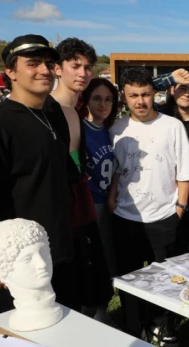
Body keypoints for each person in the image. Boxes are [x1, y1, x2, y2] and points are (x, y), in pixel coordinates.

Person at [0, 34, 77, 316]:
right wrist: (1, 264)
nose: (45, 70)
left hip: (54, 254)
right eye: (33, 63)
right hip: (15, 266)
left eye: (49, 63)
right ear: (10, 72)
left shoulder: (52, 114)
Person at [108, 67, 189, 342]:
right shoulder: (116, 129)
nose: (140, 101)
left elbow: (184, 172)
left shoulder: (172, 126)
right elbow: (115, 172)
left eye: (145, 94)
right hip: (125, 218)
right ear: (124, 96)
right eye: (133, 95)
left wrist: (179, 208)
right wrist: (111, 201)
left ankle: (160, 324)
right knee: (130, 281)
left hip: (165, 216)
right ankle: (133, 329)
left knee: (165, 279)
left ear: (154, 93)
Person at [52, 38, 113, 322]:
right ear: (57, 68)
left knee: (90, 288)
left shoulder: (74, 114)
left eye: (87, 67)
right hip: (56, 219)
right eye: (75, 65)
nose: (82, 73)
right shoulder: (46, 111)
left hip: (81, 213)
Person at [76, 78, 119, 278]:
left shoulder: (113, 131)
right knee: (90, 261)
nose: (103, 104)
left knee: (107, 257)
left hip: (106, 204)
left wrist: (112, 195)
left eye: (108, 99)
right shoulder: (78, 129)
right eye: (97, 99)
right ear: (86, 101)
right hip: (87, 204)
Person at [162, 73, 189, 254]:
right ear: (172, 90)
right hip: (167, 195)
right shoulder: (159, 118)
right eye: (182, 88)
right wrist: (171, 77)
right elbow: (143, 88)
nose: (187, 93)